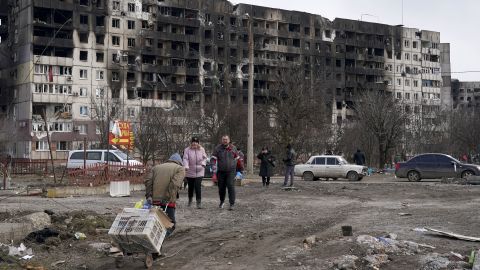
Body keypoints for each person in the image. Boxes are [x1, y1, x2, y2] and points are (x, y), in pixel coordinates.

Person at [144, 153, 185, 235]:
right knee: (170, 225)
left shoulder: (156, 168)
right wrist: (167, 198)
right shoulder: (180, 169)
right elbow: (175, 184)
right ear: (179, 162)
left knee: (155, 222)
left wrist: (149, 196)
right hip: (168, 201)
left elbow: (148, 181)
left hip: (154, 200)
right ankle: (161, 241)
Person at [212, 135, 239, 210]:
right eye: (223, 139)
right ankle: (222, 201)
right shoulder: (217, 148)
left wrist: (240, 170)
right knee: (221, 188)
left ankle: (232, 204)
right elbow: (213, 159)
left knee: (230, 186)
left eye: (226, 139)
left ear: (229, 140)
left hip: (231, 171)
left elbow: (238, 159)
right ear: (222, 140)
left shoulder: (233, 148)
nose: (225, 141)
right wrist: (214, 171)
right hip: (220, 171)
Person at [182, 137, 207, 209]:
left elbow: (205, 158)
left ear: (198, 143)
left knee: (197, 186)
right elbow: (185, 159)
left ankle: (198, 203)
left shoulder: (202, 149)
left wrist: (203, 163)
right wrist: (186, 166)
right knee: (191, 187)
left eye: (196, 142)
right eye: (193, 142)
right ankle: (190, 200)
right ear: (191, 143)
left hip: (200, 170)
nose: (195, 143)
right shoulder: (187, 150)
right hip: (190, 170)